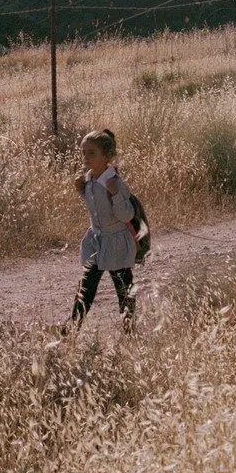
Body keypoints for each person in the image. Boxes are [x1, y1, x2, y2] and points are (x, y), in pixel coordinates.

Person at [68, 127, 138, 329]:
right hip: (96, 241)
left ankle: (129, 330)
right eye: (83, 152)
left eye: (91, 153)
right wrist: (81, 191)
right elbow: (97, 210)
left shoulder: (114, 182)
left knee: (123, 289)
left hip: (116, 242)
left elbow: (126, 215)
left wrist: (115, 194)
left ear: (106, 156)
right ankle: (72, 329)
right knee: (86, 287)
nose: (85, 157)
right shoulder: (89, 178)